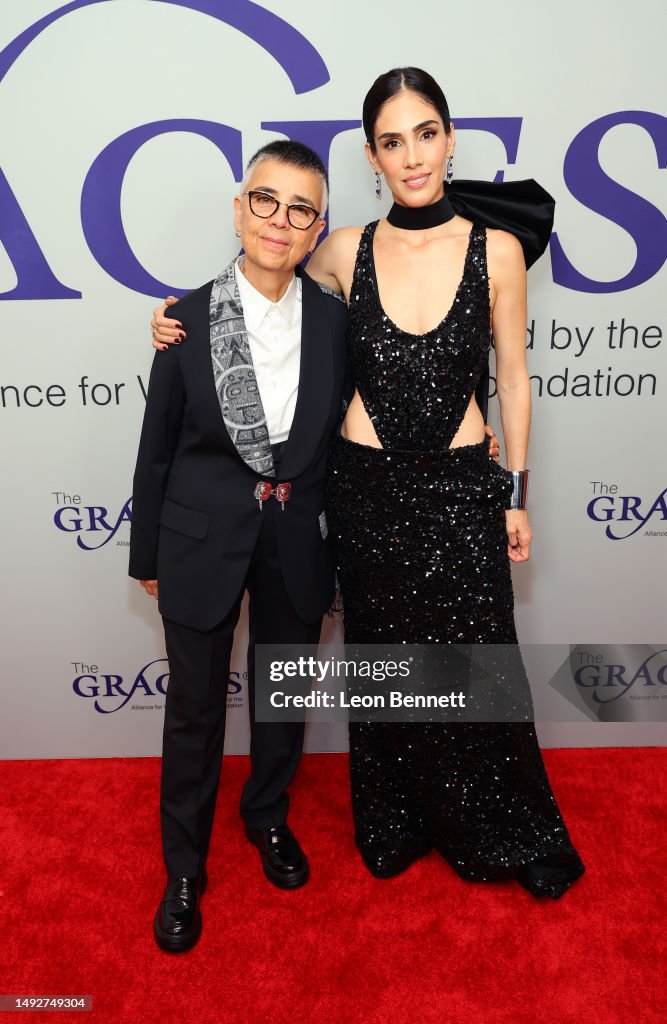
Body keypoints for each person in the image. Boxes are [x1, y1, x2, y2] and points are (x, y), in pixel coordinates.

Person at [150, 67, 583, 899]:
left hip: (462, 488)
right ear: (370, 156)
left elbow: (516, 379)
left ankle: (496, 821)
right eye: (392, 141)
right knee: (388, 665)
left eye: (425, 134)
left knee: (478, 661)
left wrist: (518, 493)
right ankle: (397, 815)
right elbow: (263, 299)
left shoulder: (496, 250)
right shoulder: (344, 248)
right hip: (364, 494)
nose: (411, 155)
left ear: (450, 141)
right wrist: (179, 316)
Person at [129, 140, 349, 953]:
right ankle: (183, 866)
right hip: (198, 541)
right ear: (238, 207)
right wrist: (145, 553)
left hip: (298, 540)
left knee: (281, 696)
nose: (279, 222)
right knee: (192, 714)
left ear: (316, 227)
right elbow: (156, 447)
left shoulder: (334, 321)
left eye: (299, 209)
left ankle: (267, 817)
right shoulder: (183, 320)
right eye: (265, 200)